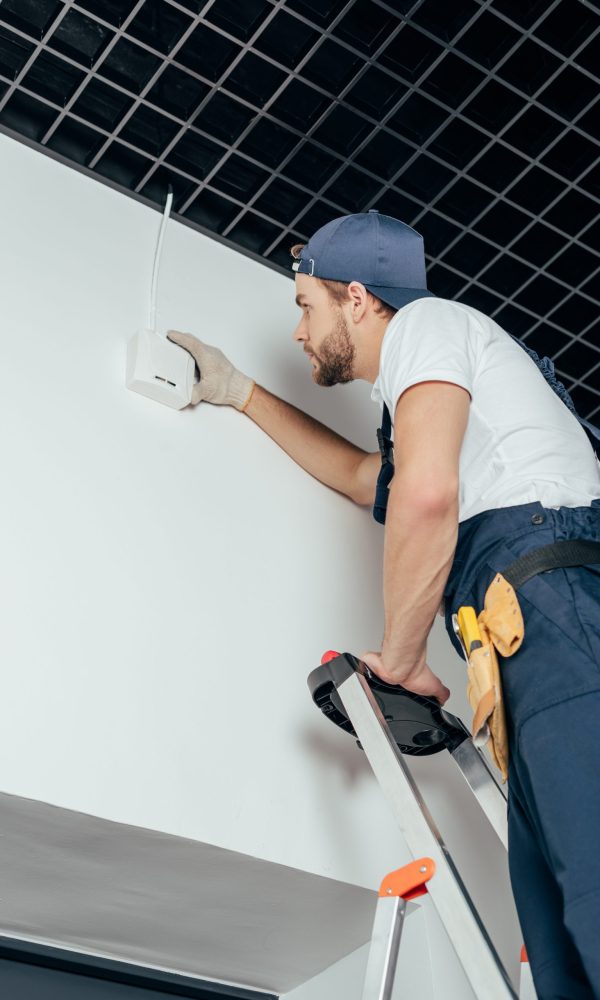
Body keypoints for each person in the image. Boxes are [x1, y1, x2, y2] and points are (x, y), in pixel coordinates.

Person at [168, 211, 600, 999]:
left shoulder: (430, 326)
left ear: (359, 299)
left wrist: (400, 659)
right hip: (515, 653)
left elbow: (427, 498)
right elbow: (375, 479)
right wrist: (240, 394)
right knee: (563, 944)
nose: (299, 331)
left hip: (559, 619)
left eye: (306, 306)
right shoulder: (427, 406)